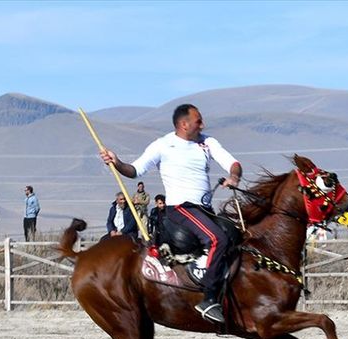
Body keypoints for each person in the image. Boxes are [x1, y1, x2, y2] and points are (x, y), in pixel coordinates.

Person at [99, 103, 242, 324]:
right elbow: (135, 170)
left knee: (237, 237)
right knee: (217, 239)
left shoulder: (207, 142)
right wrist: (117, 162)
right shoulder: (163, 145)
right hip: (181, 208)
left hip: (205, 210)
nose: (202, 124)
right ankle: (209, 299)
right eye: (198, 121)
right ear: (184, 124)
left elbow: (233, 163)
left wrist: (234, 177)